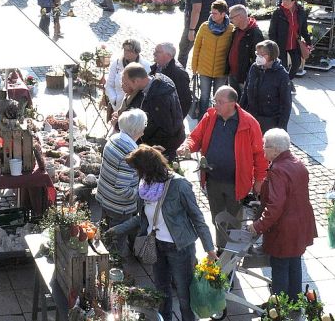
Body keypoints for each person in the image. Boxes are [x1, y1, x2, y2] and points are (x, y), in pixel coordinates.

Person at [107, 145, 217, 321]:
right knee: (161, 292)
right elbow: (141, 218)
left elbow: (198, 218)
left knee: (184, 295)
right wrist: (116, 230)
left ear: (148, 169)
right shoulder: (145, 187)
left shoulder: (180, 185)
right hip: (156, 246)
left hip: (180, 248)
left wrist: (209, 249)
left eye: (138, 170)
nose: (137, 174)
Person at [180, 86, 267, 244]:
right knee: (217, 219)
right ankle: (221, 251)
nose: (215, 105)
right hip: (213, 180)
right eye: (215, 101)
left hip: (237, 183)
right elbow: (195, 137)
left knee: (234, 221)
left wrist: (260, 179)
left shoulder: (249, 123)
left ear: (232, 103)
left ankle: (232, 254)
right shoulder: (210, 116)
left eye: (219, 102)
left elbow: (259, 154)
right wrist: (187, 146)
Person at [251, 129, 317, 301]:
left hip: (284, 229)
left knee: (280, 267)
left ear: (275, 150)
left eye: (265, 146)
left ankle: (279, 307)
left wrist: (257, 226)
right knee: (294, 263)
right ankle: (294, 300)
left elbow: (275, 206)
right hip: (300, 225)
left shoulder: (278, 170)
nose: (263, 149)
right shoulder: (298, 163)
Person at [97, 109, 146, 257]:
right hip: (119, 206)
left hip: (105, 197)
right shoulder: (130, 153)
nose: (144, 129)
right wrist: (140, 194)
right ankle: (113, 272)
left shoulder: (114, 138)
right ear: (137, 129)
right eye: (143, 126)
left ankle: (102, 261)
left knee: (104, 235)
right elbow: (122, 188)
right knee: (115, 244)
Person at [120, 63, 186, 160]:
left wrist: (147, 148)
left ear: (137, 81)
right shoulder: (158, 81)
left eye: (127, 83)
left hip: (162, 148)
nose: (125, 85)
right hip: (163, 143)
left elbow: (165, 128)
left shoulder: (158, 97)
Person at [191, 0, 235, 112]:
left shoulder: (231, 29)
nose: (212, 15)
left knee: (219, 98)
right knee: (204, 97)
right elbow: (196, 48)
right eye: (212, 12)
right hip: (204, 69)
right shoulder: (204, 27)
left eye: (215, 13)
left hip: (221, 71)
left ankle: (216, 121)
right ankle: (203, 120)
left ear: (223, 14)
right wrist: (194, 67)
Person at [239, 40, 292, 132]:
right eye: (257, 54)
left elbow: (286, 104)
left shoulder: (281, 74)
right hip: (252, 116)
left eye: (262, 55)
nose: (259, 57)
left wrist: (281, 128)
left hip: (270, 121)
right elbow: (246, 92)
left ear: (272, 55)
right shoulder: (254, 68)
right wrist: (239, 113)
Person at [178, 0, 218, 66]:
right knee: (204, 52)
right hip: (209, 24)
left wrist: (191, 30)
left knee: (183, 50)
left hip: (195, 26)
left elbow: (196, 10)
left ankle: (179, 75)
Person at [268, 0, 310, 83]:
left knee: (296, 63)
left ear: (293, 1)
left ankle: (288, 81)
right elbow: (272, 30)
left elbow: (303, 29)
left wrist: (308, 41)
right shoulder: (278, 13)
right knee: (283, 66)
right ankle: (285, 84)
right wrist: (273, 44)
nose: (284, 2)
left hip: (294, 43)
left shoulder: (301, 12)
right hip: (281, 44)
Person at [105, 39, 150, 116]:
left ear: (137, 52)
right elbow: (109, 84)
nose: (126, 52)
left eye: (129, 50)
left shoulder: (145, 66)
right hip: (117, 106)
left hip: (135, 108)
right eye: (125, 49)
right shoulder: (116, 64)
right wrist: (114, 100)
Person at [151, 42, 191, 117]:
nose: (154, 53)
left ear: (168, 55)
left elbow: (185, 101)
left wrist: (176, 122)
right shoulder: (157, 66)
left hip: (167, 117)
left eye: (158, 52)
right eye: (155, 50)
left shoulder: (179, 74)